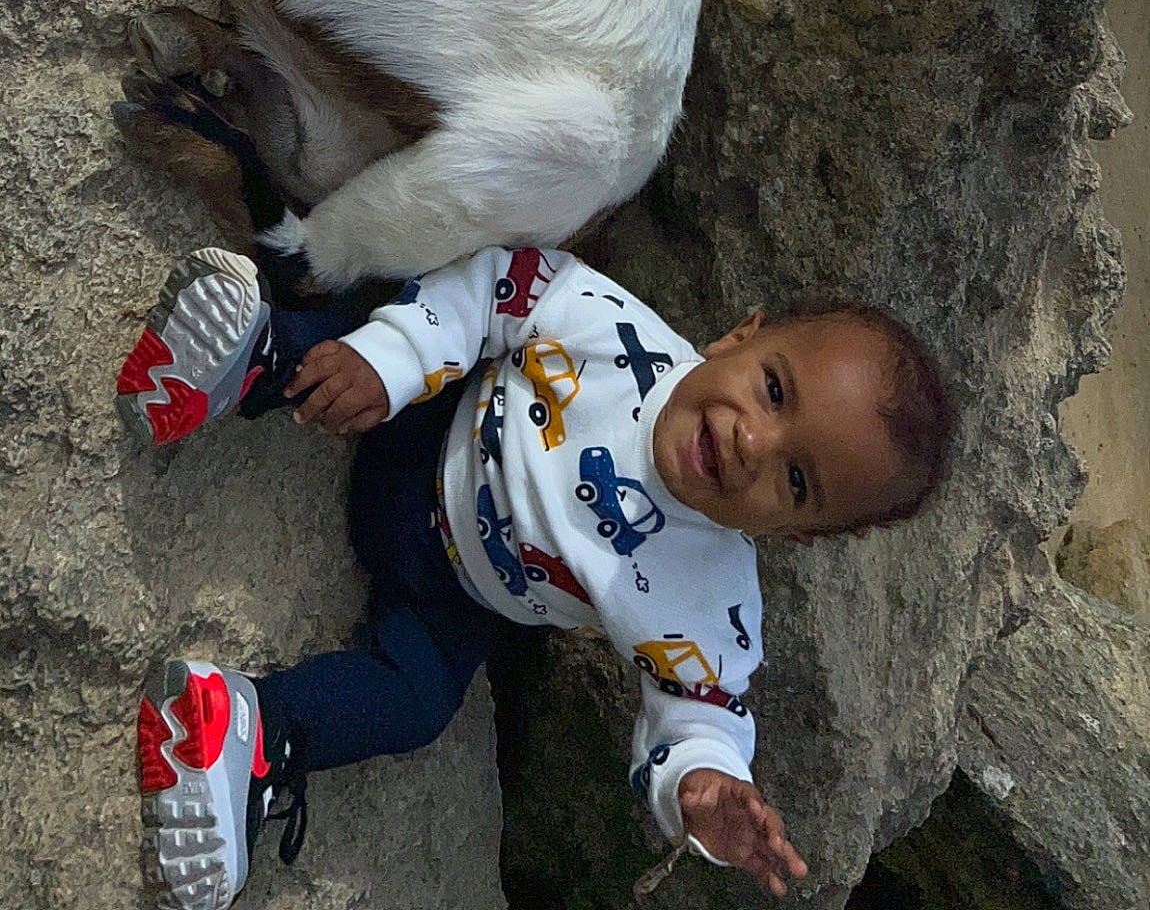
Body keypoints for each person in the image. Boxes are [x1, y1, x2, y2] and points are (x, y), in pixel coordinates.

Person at [119, 241, 957, 906]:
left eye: (798, 481)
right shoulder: (614, 333)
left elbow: (702, 712)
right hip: (426, 423)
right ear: (741, 335)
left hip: (456, 591)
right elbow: (494, 288)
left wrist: (706, 785)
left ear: (798, 536)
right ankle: (245, 355)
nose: (753, 442)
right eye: (774, 390)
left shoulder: (714, 606)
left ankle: (249, 735)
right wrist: (393, 359)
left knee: (417, 702)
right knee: (365, 334)